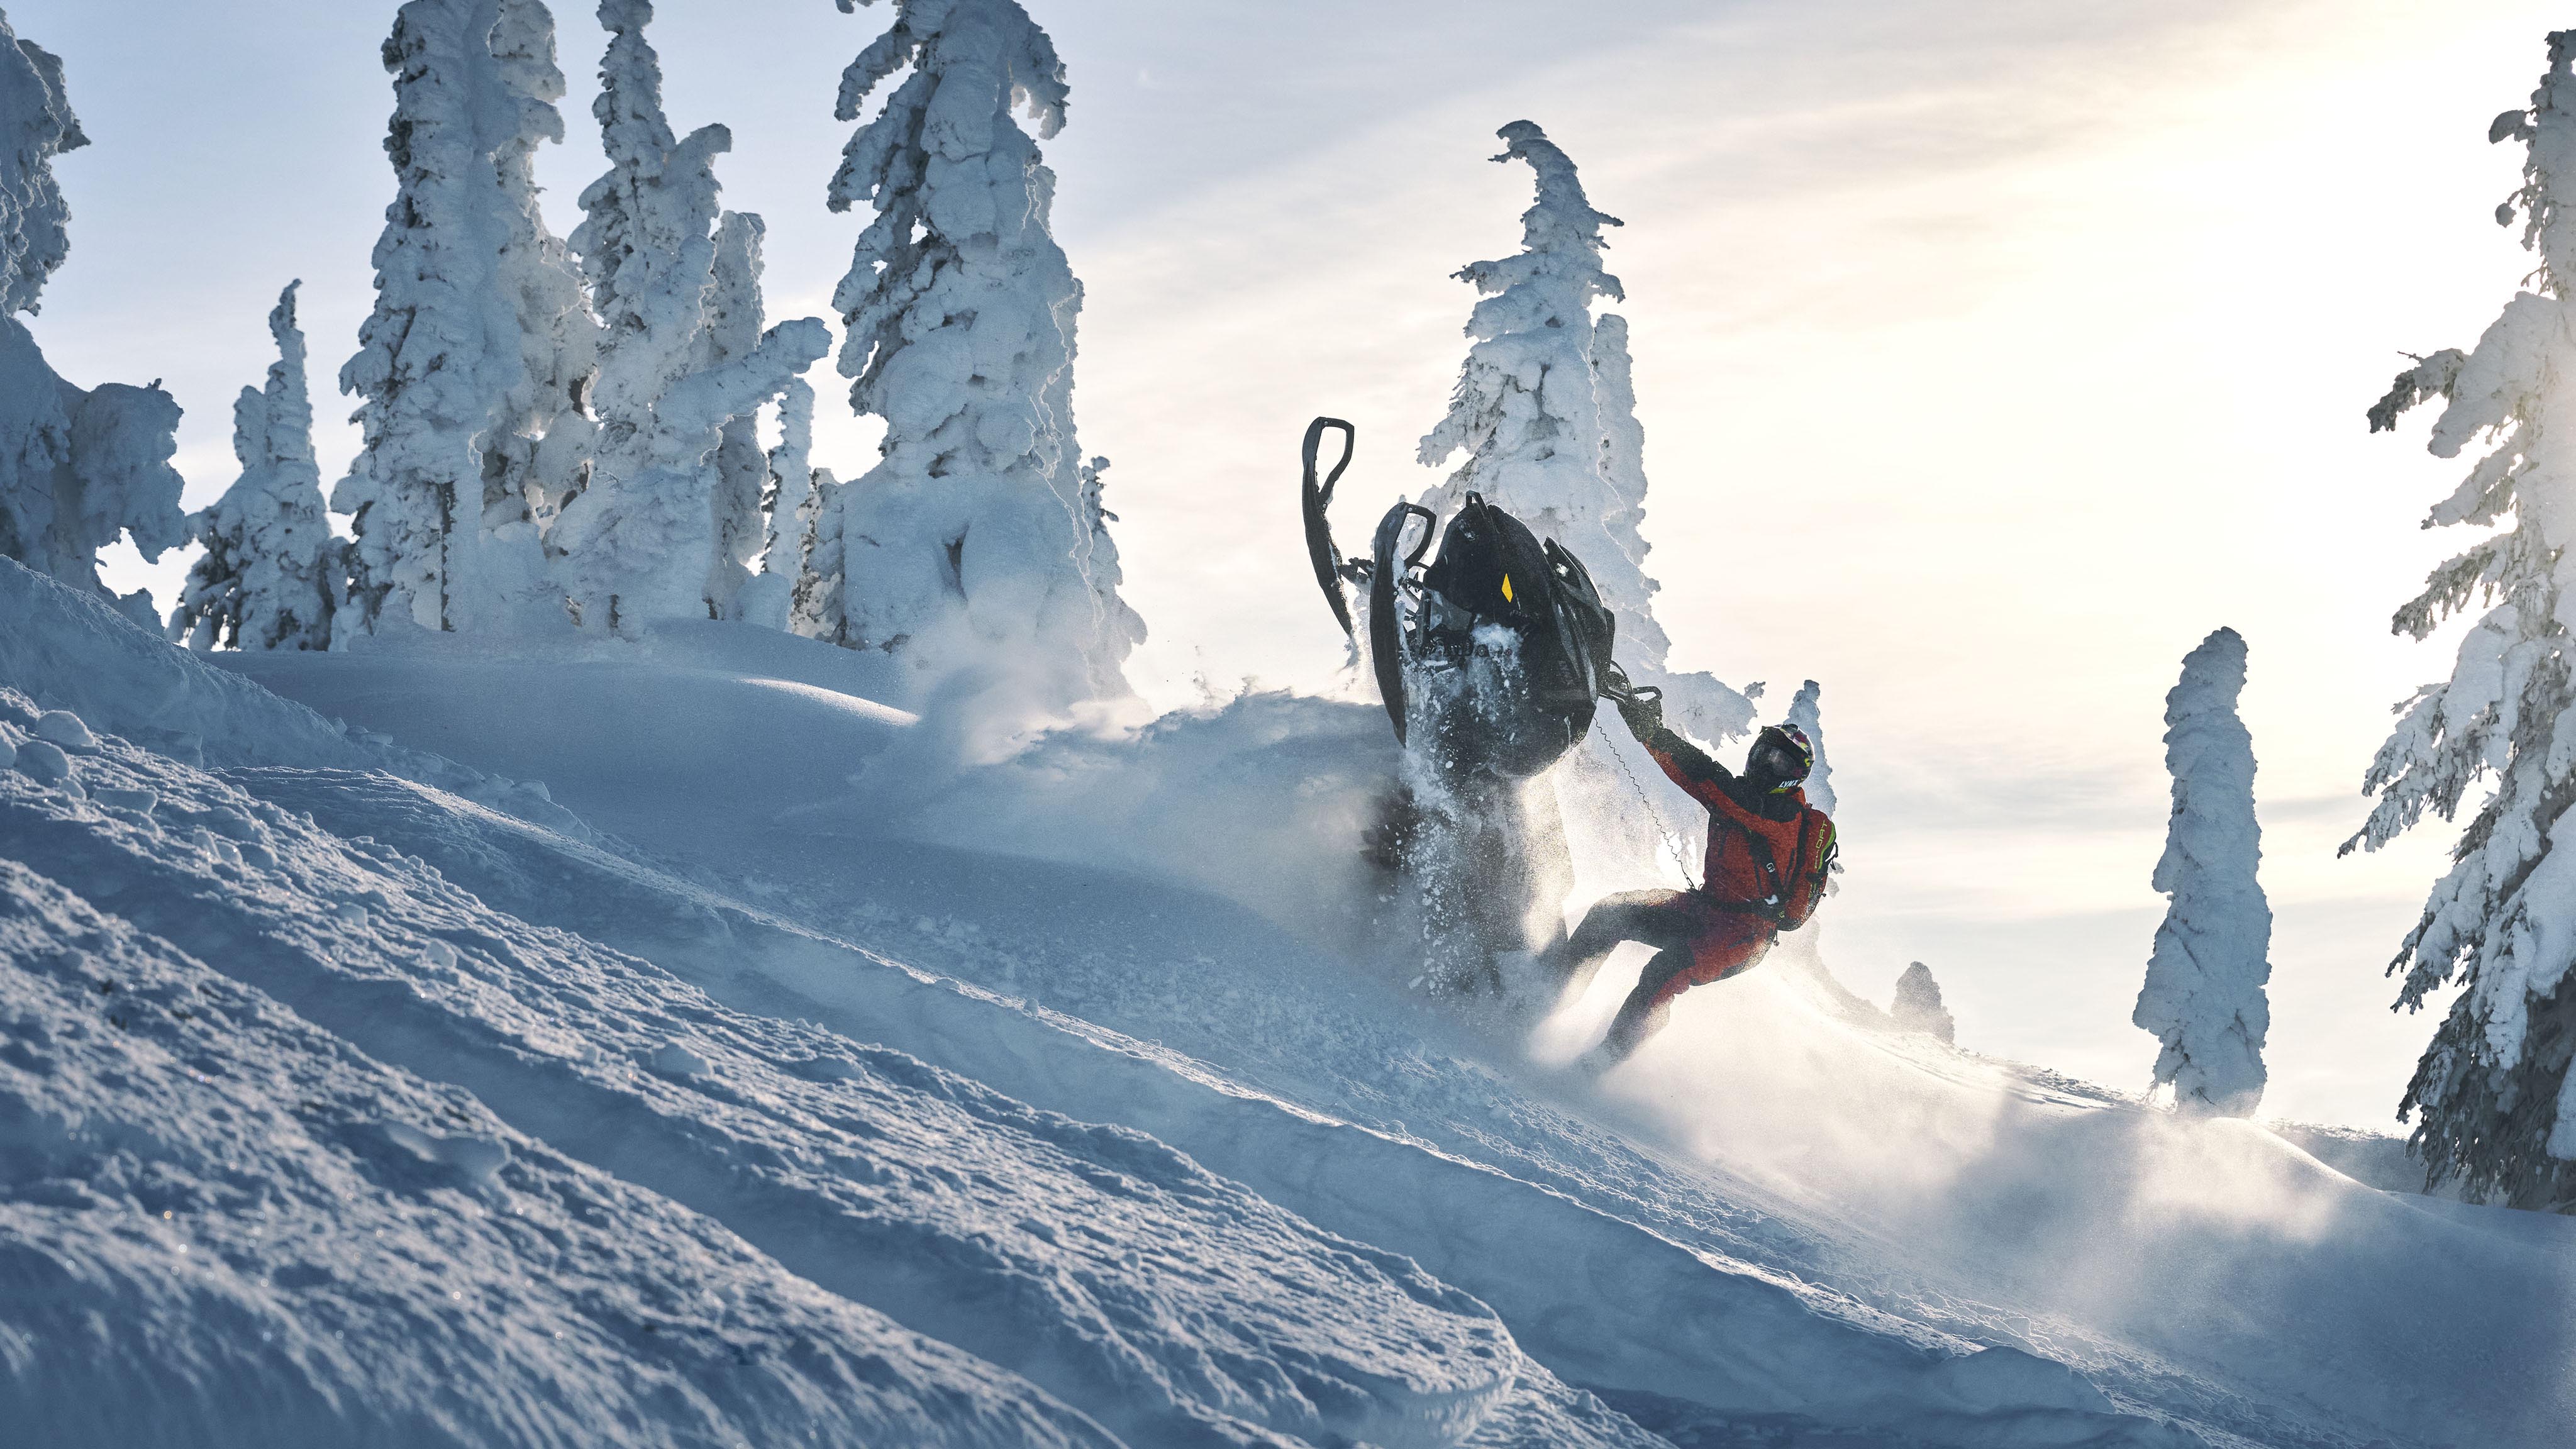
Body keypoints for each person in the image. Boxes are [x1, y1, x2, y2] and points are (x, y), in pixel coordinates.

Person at [1539, 696, 1836, 1067]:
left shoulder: (1780, 814)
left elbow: (1707, 779)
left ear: (1795, 776)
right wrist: (1648, 731)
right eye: (1764, 753)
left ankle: (1602, 1062)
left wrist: (1651, 731)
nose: (1766, 765)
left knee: (1667, 970)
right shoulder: (1745, 800)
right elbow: (1700, 780)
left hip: (1744, 935)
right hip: (1706, 907)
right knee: (1610, 914)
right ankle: (1545, 995)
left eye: (1779, 762)